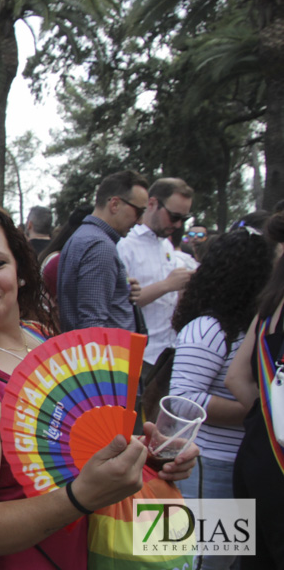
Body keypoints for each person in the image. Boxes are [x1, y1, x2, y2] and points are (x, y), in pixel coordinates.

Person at [0, 202, 197, 569]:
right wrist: (80, 496)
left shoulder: (40, 336)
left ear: (21, 272)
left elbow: (75, 449)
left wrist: (145, 455)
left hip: (94, 548)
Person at [167, 228, 270, 570]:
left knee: (222, 560)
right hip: (205, 463)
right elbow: (182, 399)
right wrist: (252, 412)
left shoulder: (246, 328)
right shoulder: (208, 327)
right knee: (198, 560)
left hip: (231, 462)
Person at [225, 212, 284, 569]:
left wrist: (270, 416)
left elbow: (236, 377)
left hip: (256, 452)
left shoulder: (269, 306)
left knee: (255, 558)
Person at [58, 170, 149, 332]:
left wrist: (121, 288)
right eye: (139, 212)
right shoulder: (99, 246)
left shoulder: (85, 236)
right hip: (108, 355)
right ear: (115, 204)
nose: (140, 221)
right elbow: (93, 324)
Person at [118, 178, 196, 366]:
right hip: (140, 354)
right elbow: (122, 303)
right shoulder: (126, 244)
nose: (178, 225)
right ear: (152, 204)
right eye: (174, 216)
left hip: (168, 351)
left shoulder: (166, 245)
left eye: (184, 219)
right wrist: (167, 285)